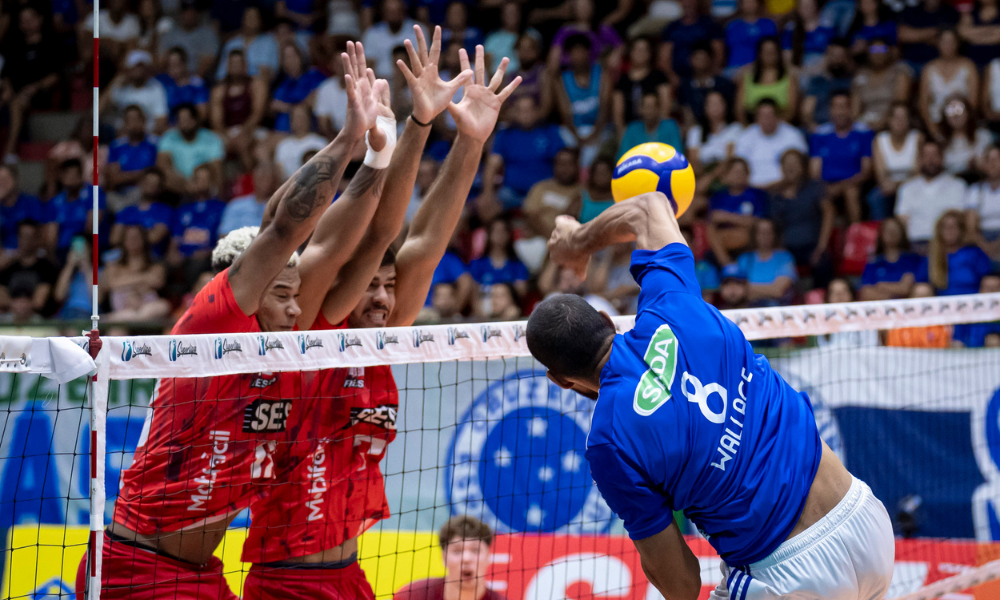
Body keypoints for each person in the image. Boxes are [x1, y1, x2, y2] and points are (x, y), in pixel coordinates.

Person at [75, 40, 390, 599]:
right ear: (247, 288)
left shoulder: (289, 352)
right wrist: (346, 140)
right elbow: (285, 231)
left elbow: (349, 247)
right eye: (284, 294)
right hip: (135, 564)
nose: (299, 308)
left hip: (203, 575)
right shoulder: (212, 327)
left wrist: (381, 156)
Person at [239, 37, 518, 600]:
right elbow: (384, 232)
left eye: (391, 289)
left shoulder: (381, 341)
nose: (385, 300)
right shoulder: (313, 326)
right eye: (372, 285)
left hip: (349, 573)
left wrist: (469, 141)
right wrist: (415, 124)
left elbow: (426, 244)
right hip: (286, 579)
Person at [526, 192, 894, 600]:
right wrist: (576, 242)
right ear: (605, 319)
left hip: (786, 578)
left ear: (559, 380)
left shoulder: (609, 443)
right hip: (865, 520)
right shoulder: (674, 304)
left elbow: (683, 586)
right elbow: (649, 207)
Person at [0, 5, 61, 162]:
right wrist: (7, 89)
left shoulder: (50, 42)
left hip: (40, 94)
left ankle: (10, 152)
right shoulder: (15, 46)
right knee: (11, 99)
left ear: (40, 19)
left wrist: (36, 86)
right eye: (23, 21)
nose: (26, 24)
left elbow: (56, 75)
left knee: (16, 103)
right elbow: (6, 74)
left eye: (30, 19)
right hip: (16, 93)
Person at [483, 94, 565, 211]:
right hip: (512, 193)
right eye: (520, 110)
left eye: (528, 110)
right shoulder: (505, 135)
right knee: (490, 206)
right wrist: (487, 194)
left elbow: (563, 162)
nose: (525, 115)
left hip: (543, 192)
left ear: (537, 111)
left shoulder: (550, 132)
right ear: (514, 113)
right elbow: (492, 165)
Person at [393, 516, 505, 600]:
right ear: (444, 557)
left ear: (488, 557)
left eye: (475, 550)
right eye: (457, 551)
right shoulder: (411, 596)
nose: (466, 558)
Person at [808, 91, 873, 223]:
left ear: (850, 109)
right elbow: (814, 172)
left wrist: (840, 187)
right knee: (819, 196)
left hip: (854, 184)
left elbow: (866, 171)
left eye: (844, 107)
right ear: (830, 110)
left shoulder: (863, 132)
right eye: (836, 107)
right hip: (826, 185)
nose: (840, 112)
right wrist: (825, 188)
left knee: (851, 193)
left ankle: (855, 235)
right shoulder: (820, 134)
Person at [770, 149, 834, 280]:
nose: (790, 167)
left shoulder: (815, 187)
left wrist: (821, 247)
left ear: (803, 166)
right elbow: (775, 227)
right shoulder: (776, 195)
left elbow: (829, 213)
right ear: (781, 168)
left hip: (813, 245)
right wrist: (779, 251)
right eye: (786, 163)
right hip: (786, 249)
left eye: (794, 163)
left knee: (823, 263)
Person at [895, 140, 967, 244]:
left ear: (942, 158)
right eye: (926, 155)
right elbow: (902, 219)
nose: (930, 160)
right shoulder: (906, 188)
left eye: (934, 155)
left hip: (946, 245)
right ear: (919, 159)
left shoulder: (958, 186)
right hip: (916, 244)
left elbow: (959, 217)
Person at [555, 34, 611, 166]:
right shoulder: (562, 79)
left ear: (589, 53)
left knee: (596, 151)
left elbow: (605, 109)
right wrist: (578, 138)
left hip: (599, 128)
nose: (578, 56)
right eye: (574, 52)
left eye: (582, 51)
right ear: (568, 56)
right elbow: (565, 114)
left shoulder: (602, 74)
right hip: (573, 130)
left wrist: (594, 135)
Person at [210, 49, 268, 172]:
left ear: (245, 66)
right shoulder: (219, 90)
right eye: (232, 64)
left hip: (252, 128)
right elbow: (216, 121)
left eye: (239, 63)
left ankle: (250, 180)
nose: (236, 67)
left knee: (244, 143)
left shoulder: (256, 84)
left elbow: (257, 114)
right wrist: (226, 136)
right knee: (212, 146)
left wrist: (243, 132)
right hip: (228, 131)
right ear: (227, 67)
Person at [918, 29, 979, 141]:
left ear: (958, 43)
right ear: (937, 43)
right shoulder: (929, 68)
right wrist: (934, 131)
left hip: (963, 125)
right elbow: (923, 103)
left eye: (951, 41)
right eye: (944, 41)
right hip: (936, 123)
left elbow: (973, 103)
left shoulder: (968, 66)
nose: (948, 45)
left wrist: (961, 129)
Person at [734, 99, 808, 188]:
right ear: (757, 118)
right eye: (763, 116)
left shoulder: (793, 135)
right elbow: (737, 166)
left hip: (784, 189)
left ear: (777, 117)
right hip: (750, 189)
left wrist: (777, 186)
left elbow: (801, 168)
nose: (767, 119)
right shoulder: (746, 136)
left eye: (770, 115)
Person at [104, 225, 172, 323]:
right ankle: (132, 318)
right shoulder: (114, 266)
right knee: (119, 326)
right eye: (129, 237)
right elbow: (112, 284)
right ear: (123, 241)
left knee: (163, 306)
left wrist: (125, 281)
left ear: (144, 240)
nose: (133, 240)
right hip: (122, 311)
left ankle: (134, 318)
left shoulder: (156, 265)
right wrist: (143, 279)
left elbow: (157, 282)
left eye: (136, 237)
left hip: (148, 312)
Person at [706, 158, 767, 265]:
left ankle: (729, 268)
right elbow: (713, 221)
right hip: (722, 240)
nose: (738, 175)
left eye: (742, 171)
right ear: (726, 175)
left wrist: (727, 217)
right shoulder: (718, 197)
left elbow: (757, 223)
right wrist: (741, 220)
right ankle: (727, 264)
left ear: (748, 174)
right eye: (734, 172)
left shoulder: (757, 195)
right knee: (710, 230)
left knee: (748, 232)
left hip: (748, 237)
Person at [156, 103, 224, 193]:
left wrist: (199, 182)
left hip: (205, 186)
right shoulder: (168, 137)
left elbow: (216, 168)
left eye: (188, 119)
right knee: (162, 173)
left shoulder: (211, 138)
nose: (184, 123)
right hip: (177, 188)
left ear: (196, 120)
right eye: (181, 120)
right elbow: (163, 165)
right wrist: (186, 185)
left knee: (209, 172)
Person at [870, 102, 922, 220]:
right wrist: (889, 184)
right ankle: (882, 232)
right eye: (896, 117)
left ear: (909, 120)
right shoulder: (880, 139)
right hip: (888, 187)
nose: (900, 121)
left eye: (904, 117)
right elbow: (881, 174)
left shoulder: (917, 138)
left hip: (911, 185)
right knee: (875, 196)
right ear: (889, 120)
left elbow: (918, 173)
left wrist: (898, 185)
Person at [99, 50, 169, 135]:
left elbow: (161, 122)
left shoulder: (155, 88)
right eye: (135, 66)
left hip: (146, 137)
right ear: (129, 68)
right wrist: (115, 82)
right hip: (121, 136)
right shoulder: (120, 87)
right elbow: (98, 112)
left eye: (141, 66)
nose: (138, 70)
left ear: (148, 69)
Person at [924, 209, 993, 295]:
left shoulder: (973, 253)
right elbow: (922, 282)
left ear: (961, 230)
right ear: (939, 230)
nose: (949, 231)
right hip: (941, 304)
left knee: (991, 282)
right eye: (945, 227)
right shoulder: (932, 256)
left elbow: (987, 277)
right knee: (922, 289)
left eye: (953, 227)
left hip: (973, 301)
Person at [45, 160, 107, 256]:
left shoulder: (93, 193)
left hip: (88, 246)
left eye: (74, 175)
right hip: (63, 250)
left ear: (81, 175)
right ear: (61, 177)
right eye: (67, 175)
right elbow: (51, 237)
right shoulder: (55, 202)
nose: (71, 179)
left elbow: (92, 226)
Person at [859, 216, 927, 300]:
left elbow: (906, 289)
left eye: (895, 229)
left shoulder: (913, 260)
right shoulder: (873, 264)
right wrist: (897, 292)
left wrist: (880, 285)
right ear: (881, 234)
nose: (892, 233)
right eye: (888, 230)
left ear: (902, 233)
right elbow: (866, 293)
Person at [0, 221, 58, 317]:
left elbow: (39, 302)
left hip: (38, 318)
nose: (26, 240)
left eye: (30, 236)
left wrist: (19, 307)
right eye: (23, 236)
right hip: (9, 317)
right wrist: (15, 305)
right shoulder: (9, 267)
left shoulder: (46, 267)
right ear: (18, 238)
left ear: (37, 239)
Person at [659, 0, 725, 84]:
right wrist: (674, 79)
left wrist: (710, 77)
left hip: (705, 75)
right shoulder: (672, 28)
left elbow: (719, 54)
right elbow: (664, 60)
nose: (688, 3)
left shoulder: (710, 25)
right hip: (679, 77)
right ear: (679, 3)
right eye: (684, 0)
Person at [851, 39, 911, 131]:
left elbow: (900, 101)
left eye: (881, 49)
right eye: (874, 50)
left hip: (892, 122)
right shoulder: (861, 74)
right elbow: (855, 110)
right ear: (868, 52)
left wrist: (883, 121)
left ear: (889, 51)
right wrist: (859, 124)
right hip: (865, 123)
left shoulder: (899, 70)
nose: (877, 53)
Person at [522, 148, 582, 239]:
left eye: (569, 163)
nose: (565, 168)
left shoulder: (582, 192)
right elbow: (530, 215)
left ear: (577, 166)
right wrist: (550, 236)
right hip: (538, 239)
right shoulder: (541, 187)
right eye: (561, 164)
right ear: (554, 166)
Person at [614, 37, 670, 134]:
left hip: (655, 129)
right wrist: (623, 134)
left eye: (644, 50)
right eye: (637, 49)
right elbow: (618, 112)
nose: (641, 53)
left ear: (650, 53)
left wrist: (658, 132)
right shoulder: (622, 80)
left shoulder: (659, 76)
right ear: (630, 52)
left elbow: (665, 107)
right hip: (628, 131)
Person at [737, 218, 798, 306]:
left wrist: (749, 288)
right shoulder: (744, 259)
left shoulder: (784, 257)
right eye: (761, 232)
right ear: (754, 235)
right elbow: (739, 291)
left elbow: (778, 291)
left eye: (769, 232)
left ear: (775, 234)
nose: (765, 236)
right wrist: (769, 289)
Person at [737, 37, 798, 124]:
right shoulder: (747, 78)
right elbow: (739, 110)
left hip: (780, 127)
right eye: (765, 51)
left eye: (772, 51)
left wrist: (771, 127)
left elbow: (791, 110)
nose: (769, 54)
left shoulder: (789, 78)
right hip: (752, 127)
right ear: (759, 54)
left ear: (778, 53)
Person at [106, 106, 160, 201]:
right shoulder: (116, 146)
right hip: (120, 193)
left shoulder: (155, 143)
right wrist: (141, 174)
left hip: (145, 192)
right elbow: (114, 179)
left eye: (137, 119)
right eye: (130, 120)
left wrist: (125, 176)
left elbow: (156, 174)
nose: (134, 123)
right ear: (125, 123)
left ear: (144, 121)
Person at [271, 43, 327, 133]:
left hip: (306, 131)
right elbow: (273, 106)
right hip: (280, 132)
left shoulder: (314, 76)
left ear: (301, 57)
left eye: (293, 56)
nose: (290, 60)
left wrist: (287, 107)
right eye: (286, 57)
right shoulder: (282, 83)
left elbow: (312, 101)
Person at [686, 91, 741, 180]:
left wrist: (709, 178)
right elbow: (693, 161)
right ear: (705, 107)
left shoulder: (734, 129)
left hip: (725, 177)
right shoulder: (695, 132)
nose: (715, 107)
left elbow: (729, 160)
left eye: (718, 103)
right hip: (701, 177)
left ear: (725, 106)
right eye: (711, 103)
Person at [678, 41, 735, 127]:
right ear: (690, 60)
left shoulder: (723, 84)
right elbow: (686, 113)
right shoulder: (685, 87)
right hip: (696, 130)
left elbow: (731, 112)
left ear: (710, 59)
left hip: (723, 130)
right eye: (697, 59)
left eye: (703, 59)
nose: (700, 62)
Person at [112, 167, 173, 250]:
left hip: (152, 257)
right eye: (148, 182)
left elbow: (155, 237)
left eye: (154, 184)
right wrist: (146, 232)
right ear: (140, 183)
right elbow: (114, 239)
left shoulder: (165, 211)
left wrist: (128, 234)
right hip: (125, 256)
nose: (150, 187)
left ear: (160, 188)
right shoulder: (127, 211)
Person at [157, 0, 219, 79]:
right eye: (186, 10)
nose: (189, 14)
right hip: (170, 79)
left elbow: (207, 62)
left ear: (199, 13)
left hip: (196, 79)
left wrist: (191, 80)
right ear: (180, 13)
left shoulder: (208, 34)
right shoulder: (170, 34)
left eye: (193, 11)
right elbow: (161, 61)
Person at [800, 39, 854, 130]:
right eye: (833, 55)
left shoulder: (850, 82)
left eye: (840, 56)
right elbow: (806, 112)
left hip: (846, 130)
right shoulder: (817, 81)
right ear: (826, 56)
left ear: (846, 58)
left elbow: (854, 111)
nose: (836, 59)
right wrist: (815, 129)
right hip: (820, 127)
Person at [898, 0, 960, 72]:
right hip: (911, 62)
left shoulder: (950, 12)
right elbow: (903, 35)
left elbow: (949, 42)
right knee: (901, 73)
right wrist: (938, 30)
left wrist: (916, 36)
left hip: (939, 62)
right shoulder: (911, 11)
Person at [219, 161, 279, 235]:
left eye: (267, 177)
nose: (263, 181)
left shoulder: (278, 208)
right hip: (239, 244)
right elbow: (223, 235)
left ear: (274, 181)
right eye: (260, 176)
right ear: (253, 179)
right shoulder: (236, 205)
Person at [618, 93, 684, 159]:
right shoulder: (632, 130)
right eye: (646, 107)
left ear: (659, 109)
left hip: (665, 168)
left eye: (653, 106)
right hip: (638, 168)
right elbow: (623, 158)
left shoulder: (671, 127)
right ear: (640, 109)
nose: (649, 111)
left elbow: (677, 155)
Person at [362, 0, 419, 77]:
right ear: (383, 13)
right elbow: (368, 65)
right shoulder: (372, 33)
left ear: (404, 11)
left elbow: (421, 64)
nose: (394, 15)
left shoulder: (417, 30)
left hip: (409, 81)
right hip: (379, 80)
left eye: (397, 11)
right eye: (390, 12)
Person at [886, 282, 953, 347]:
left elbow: (944, 349)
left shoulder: (942, 324)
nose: (921, 300)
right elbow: (894, 350)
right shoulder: (898, 324)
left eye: (926, 296)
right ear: (910, 298)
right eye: (918, 296)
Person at [818, 278, 880, 347]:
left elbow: (871, 347)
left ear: (851, 295)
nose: (839, 295)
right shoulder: (822, 322)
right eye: (834, 292)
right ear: (828, 298)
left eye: (844, 291)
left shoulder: (866, 319)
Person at [939, 96, 992, 178]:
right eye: (950, 110)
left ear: (968, 112)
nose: (955, 115)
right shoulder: (941, 140)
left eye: (959, 109)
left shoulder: (983, 136)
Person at [724, 0, 777, 76]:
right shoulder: (732, 26)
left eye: (751, 1)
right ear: (740, 4)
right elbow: (726, 51)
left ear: (758, 3)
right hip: (735, 69)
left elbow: (773, 49)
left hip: (762, 69)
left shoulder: (769, 24)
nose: (749, 4)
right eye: (745, 1)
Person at [0, 165, 45, 255]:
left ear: (15, 179)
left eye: (5, 179)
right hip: (5, 254)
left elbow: (42, 235)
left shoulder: (31, 202)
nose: (2, 183)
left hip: (31, 252)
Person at [156, 46, 210, 121]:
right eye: (169, 65)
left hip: (191, 126)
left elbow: (202, 114)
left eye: (175, 65)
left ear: (184, 63)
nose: (172, 69)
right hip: (169, 128)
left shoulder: (196, 84)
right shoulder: (163, 82)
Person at [275, 105, 328, 179]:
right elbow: (279, 171)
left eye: (302, 117)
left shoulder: (320, 142)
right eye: (296, 117)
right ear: (291, 121)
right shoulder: (283, 145)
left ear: (308, 119)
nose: (299, 121)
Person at [782, 0, 835, 74]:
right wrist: (798, 72)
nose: (806, 9)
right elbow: (787, 56)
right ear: (798, 9)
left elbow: (832, 53)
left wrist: (816, 70)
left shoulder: (827, 27)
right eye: (803, 6)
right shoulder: (790, 29)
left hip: (823, 70)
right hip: (798, 71)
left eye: (810, 6)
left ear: (816, 7)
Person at [966, 144, 1000, 255]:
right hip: (982, 240)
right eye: (988, 160)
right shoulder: (975, 190)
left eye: (996, 159)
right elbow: (971, 228)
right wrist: (986, 246)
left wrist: (996, 245)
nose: (992, 164)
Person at [957, 0, 1000, 70]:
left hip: (997, 65)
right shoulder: (969, 14)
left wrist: (974, 34)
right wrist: (993, 30)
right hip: (972, 63)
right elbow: (963, 33)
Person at [579, 156, 616, 223]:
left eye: (604, 173)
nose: (601, 177)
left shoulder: (619, 198)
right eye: (598, 173)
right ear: (592, 175)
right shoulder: (582, 197)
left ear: (612, 174)